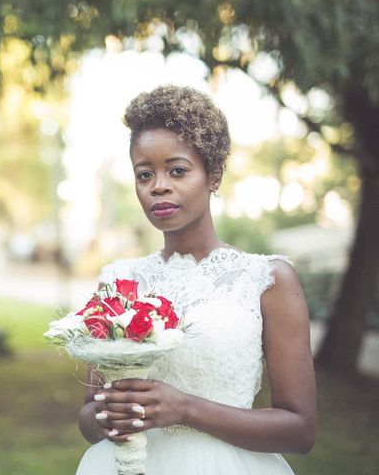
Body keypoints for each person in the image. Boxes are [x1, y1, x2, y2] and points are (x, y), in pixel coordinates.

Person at [75, 85, 316, 474]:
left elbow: (300, 429)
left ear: (214, 175)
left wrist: (184, 407)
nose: (158, 186)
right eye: (144, 174)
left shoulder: (267, 280)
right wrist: (109, 414)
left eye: (178, 170)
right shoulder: (119, 281)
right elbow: (88, 418)